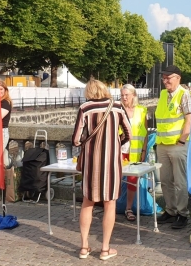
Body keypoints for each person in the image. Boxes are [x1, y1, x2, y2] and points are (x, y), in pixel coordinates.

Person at [72, 79, 132, 260]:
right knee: (110, 203)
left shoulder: (85, 108)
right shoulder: (118, 107)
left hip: (91, 163)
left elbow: (76, 139)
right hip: (111, 163)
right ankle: (105, 249)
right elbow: (129, 133)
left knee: (87, 202)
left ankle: (84, 247)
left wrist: (88, 143)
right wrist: (115, 143)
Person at [155, 65, 191, 229]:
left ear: (178, 78)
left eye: (168, 77)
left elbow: (189, 120)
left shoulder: (184, 95)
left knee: (180, 182)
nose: (165, 80)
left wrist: (182, 140)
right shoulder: (163, 94)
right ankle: (170, 211)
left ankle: (182, 214)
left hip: (178, 145)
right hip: (162, 144)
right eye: (163, 77)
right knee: (165, 180)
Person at [120, 84, 148, 221]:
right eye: (122, 95)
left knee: (132, 180)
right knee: (114, 179)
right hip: (120, 150)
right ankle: (111, 207)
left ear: (133, 95)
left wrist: (144, 149)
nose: (124, 97)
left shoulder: (142, 110)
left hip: (136, 151)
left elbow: (146, 132)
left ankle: (128, 208)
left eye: (127, 95)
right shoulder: (117, 110)